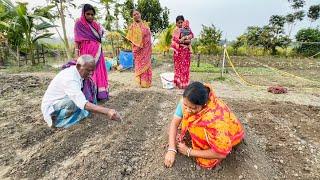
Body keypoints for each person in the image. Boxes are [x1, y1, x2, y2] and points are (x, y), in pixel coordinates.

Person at [164, 82, 244, 169]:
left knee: (206, 160)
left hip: (227, 135)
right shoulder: (188, 100)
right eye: (185, 105)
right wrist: (171, 150)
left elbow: (221, 153)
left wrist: (188, 151)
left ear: (204, 104)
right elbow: (175, 122)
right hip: (213, 127)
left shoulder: (215, 121)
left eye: (192, 108)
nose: (187, 110)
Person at [41, 55, 121, 128]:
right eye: (88, 70)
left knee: (81, 101)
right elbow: (82, 103)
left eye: (92, 71)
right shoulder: (70, 78)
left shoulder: (78, 73)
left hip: (62, 101)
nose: (90, 73)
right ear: (78, 66)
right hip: (52, 107)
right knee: (74, 103)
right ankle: (57, 121)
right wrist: (107, 111)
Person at [74, 4, 109, 101]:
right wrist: (77, 54)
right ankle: (89, 95)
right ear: (83, 13)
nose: (90, 16)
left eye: (92, 14)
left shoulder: (96, 24)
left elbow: (101, 34)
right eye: (88, 14)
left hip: (97, 51)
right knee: (88, 72)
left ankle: (100, 94)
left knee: (99, 71)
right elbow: (77, 40)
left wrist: (100, 28)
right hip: (86, 51)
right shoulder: (79, 24)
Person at [126, 10, 152, 88]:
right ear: (132, 17)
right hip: (137, 50)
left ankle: (146, 82)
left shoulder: (145, 26)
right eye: (134, 15)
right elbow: (130, 38)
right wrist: (137, 43)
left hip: (146, 49)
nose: (136, 15)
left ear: (140, 14)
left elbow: (148, 36)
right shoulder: (132, 27)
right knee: (139, 65)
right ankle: (139, 82)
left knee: (146, 66)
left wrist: (146, 45)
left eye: (137, 14)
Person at [171, 16, 194, 89]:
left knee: (185, 67)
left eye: (182, 22)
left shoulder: (187, 28)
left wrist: (186, 38)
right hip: (178, 52)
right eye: (179, 23)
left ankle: (185, 84)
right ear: (176, 23)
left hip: (186, 52)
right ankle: (179, 83)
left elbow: (192, 35)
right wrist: (186, 40)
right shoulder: (176, 31)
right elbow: (177, 40)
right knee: (179, 67)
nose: (180, 24)